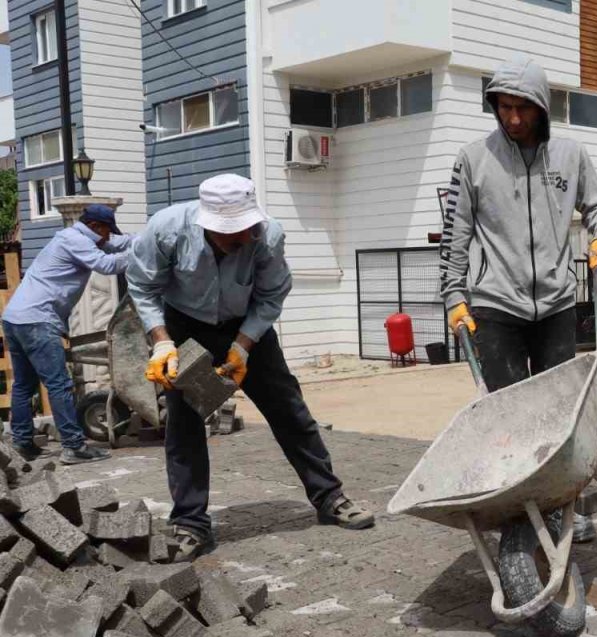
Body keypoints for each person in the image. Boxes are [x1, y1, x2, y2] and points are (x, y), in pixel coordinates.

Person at [127, 174, 374, 561]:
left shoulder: (267, 236)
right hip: (185, 326)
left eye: (248, 228)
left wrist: (243, 348)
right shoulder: (167, 230)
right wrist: (161, 342)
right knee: (185, 422)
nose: (243, 238)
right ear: (207, 225)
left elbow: (272, 293)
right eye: (231, 234)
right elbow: (142, 286)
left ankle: (329, 497)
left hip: (246, 327)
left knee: (289, 410)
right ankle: (190, 522)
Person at [440, 55, 597, 543]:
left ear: (543, 107)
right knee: (507, 418)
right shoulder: (473, 159)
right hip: (495, 307)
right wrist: (454, 295)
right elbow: (455, 237)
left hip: (558, 305)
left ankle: (563, 507)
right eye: (504, 107)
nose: (513, 118)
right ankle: (516, 514)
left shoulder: (570, 155)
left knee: (558, 418)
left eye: (524, 108)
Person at [3, 204, 133, 464]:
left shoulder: (75, 237)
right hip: (37, 321)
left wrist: (148, 240)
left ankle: (22, 442)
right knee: (59, 385)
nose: (108, 237)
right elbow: (106, 264)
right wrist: (145, 255)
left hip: (15, 317)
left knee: (23, 385)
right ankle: (74, 447)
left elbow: (117, 244)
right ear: (95, 227)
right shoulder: (75, 241)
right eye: (107, 231)